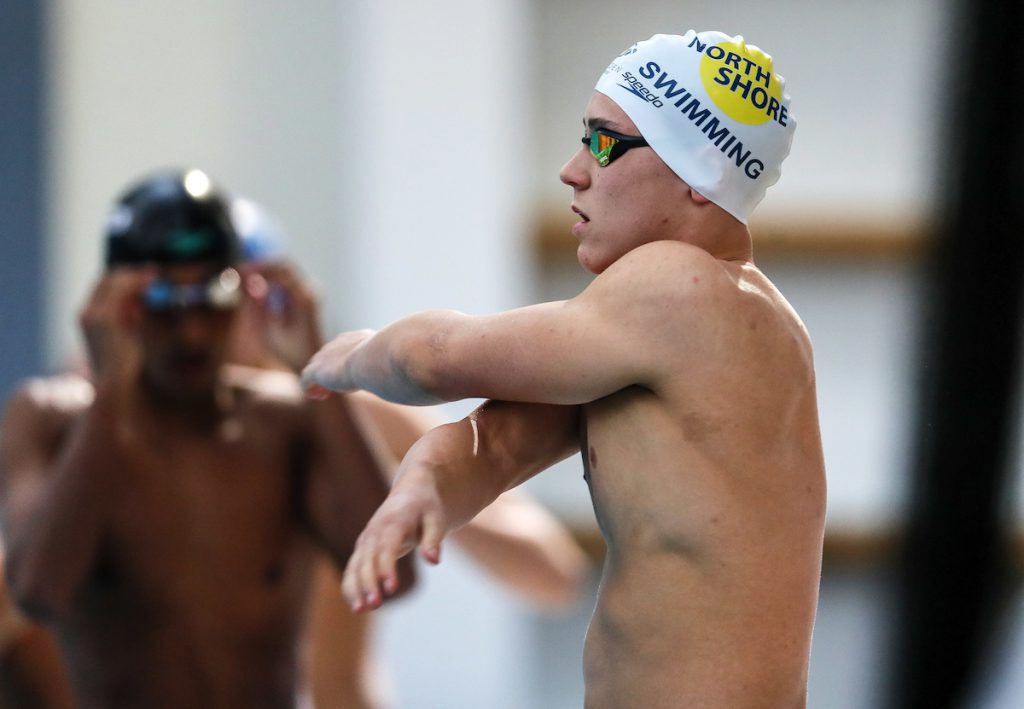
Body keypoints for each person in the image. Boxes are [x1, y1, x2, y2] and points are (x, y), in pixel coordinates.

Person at [302, 30, 827, 708]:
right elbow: (495, 445)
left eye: (604, 143)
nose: (573, 170)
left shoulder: (684, 290)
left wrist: (350, 355)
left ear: (697, 171)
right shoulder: (669, 333)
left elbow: (437, 359)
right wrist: (421, 488)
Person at [0, 169, 415, 709]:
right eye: (164, 299)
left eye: (212, 295)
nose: (192, 330)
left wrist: (319, 374)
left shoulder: (286, 423)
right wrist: (111, 392)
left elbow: (395, 573)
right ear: (115, 301)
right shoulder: (49, 422)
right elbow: (37, 594)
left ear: (245, 292)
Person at [228, 197, 590, 708]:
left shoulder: (356, 422)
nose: (199, 321)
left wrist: (426, 494)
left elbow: (555, 576)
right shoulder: (133, 441)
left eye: (229, 291)